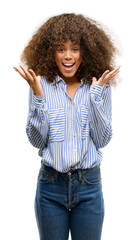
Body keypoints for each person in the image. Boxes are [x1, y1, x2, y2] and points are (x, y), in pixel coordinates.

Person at [13, 13, 120, 240]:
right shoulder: (40, 84)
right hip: (50, 187)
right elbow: (36, 142)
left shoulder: (99, 85)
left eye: (75, 49)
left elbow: (102, 140)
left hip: (89, 187)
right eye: (61, 49)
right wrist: (39, 98)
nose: (68, 56)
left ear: (86, 52)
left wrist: (96, 97)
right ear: (50, 52)